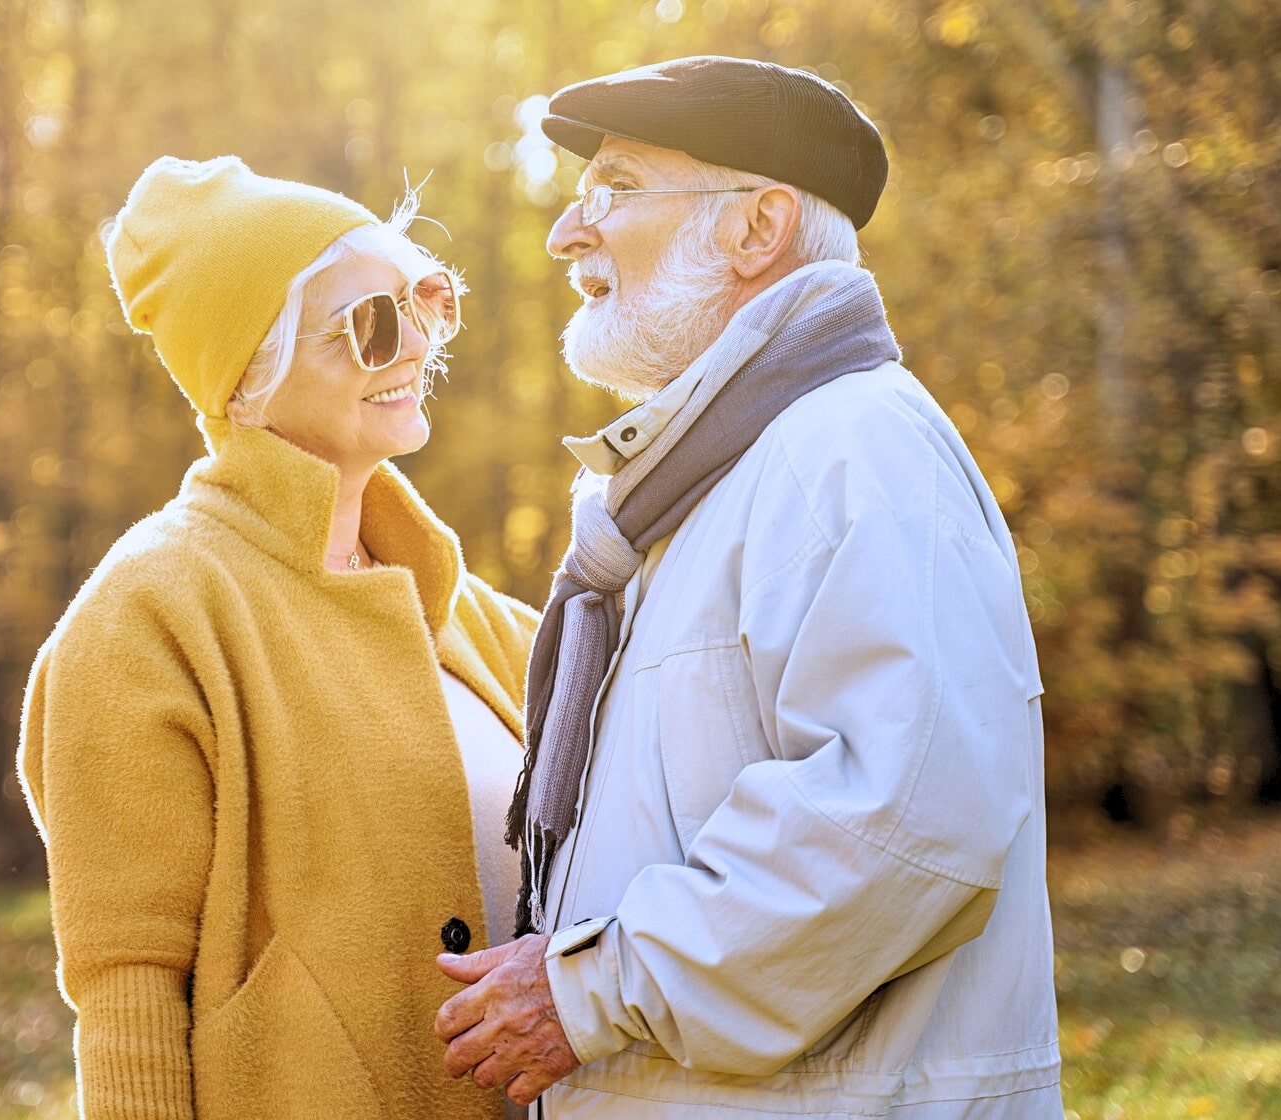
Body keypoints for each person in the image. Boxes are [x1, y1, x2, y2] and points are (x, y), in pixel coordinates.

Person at [433, 56, 1062, 1118]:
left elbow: (905, 820)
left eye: (618, 189)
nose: (565, 232)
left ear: (754, 230)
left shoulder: (853, 449)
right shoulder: (709, 482)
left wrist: (590, 987)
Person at [19, 155, 536, 1120]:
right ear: (249, 377)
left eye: (425, 300)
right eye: (370, 324)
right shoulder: (150, 612)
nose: (413, 344)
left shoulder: (479, 620)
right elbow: (127, 988)